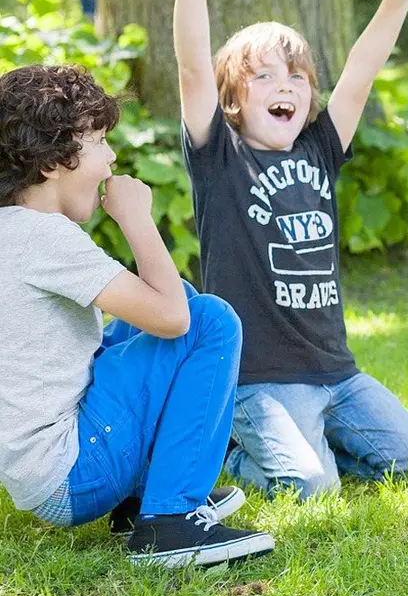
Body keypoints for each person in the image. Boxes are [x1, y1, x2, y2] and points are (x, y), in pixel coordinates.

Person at [174, 0, 408, 500]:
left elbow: (361, 75)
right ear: (233, 102)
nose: (285, 86)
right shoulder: (221, 156)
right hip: (262, 381)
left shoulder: (321, 148)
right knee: (312, 487)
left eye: (296, 76)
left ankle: (318, 442)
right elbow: (194, 68)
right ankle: (235, 452)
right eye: (264, 77)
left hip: (338, 374)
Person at [0, 64, 275, 567]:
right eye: (100, 141)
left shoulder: (13, 230)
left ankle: (146, 499)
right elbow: (172, 320)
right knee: (208, 320)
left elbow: (161, 306)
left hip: (49, 468)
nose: (112, 158)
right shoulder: (43, 237)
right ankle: (168, 523)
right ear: (52, 162)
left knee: (180, 299)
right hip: (73, 473)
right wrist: (135, 219)